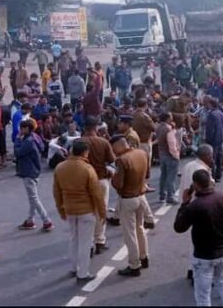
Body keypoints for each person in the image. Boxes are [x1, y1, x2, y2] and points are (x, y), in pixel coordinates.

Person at [174, 168, 223, 306]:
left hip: (203, 256)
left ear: (196, 185)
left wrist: (184, 203)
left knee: (203, 296)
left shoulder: (195, 206)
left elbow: (179, 227)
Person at [53, 140, 106, 282]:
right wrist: (102, 212)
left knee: (73, 238)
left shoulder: (60, 167)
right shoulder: (87, 169)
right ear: (85, 152)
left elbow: (56, 192)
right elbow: (96, 194)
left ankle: (73, 268)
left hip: (69, 209)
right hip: (86, 210)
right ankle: (83, 273)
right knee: (85, 242)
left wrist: (60, 209)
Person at [111, 135, 151, 277]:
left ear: (117, 146)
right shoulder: (142, 153)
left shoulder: (122, 160)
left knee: (130, 234)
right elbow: (147, 174)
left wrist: (113, 177)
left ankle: (134, 265)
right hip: (141, 196)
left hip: (128, 198)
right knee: (140, 229)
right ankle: (144, 257)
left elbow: (119, 184)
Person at [79, 117, 116, 255]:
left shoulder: (79, 142)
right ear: (96, 128)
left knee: (87, 213)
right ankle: (100, 241)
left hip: (83, 182)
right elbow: (113, 161)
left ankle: (88, 244)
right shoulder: (103, 142)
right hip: (101, 180)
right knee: (101, 212)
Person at [14, 120, 54, 232]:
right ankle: (30, 220)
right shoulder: (35, 137)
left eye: (22, 128)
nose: (20, 130)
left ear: (27, 128)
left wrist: (17, 140)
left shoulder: (28, 142)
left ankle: (46, 220)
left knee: (34, 198)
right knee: (32, 198)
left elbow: (18, 152)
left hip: (28, 170)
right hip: (34, 169)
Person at [156, 112, 180, 204]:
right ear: (167, 119)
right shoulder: (168, 129)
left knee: (163, 175)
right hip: (170, 155)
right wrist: (176, 156)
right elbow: (172, 145)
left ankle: (162, 195)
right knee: (171, 177)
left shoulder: (158, 128)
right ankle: (171, 196)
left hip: (162, 154)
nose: (172, 118)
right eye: (170, 117)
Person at [205, 98, 223, 181]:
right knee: (219, 158)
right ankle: (218, 175)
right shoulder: (221, 114)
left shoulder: (211, 114)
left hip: (213, 139)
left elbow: (210, 129)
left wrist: (208, 139)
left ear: (211, 104)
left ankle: (213, 176)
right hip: (220, 138)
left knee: (212, 158)